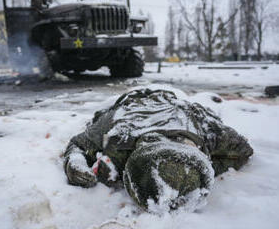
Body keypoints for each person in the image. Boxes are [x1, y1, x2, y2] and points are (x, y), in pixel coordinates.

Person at [64, 89, 253, 212]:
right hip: (134, 99)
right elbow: (78, 144)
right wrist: (76, 165)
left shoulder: (206, 128)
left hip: (174, 100)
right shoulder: (119, 126)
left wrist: (207, 167)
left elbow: (244, 151)